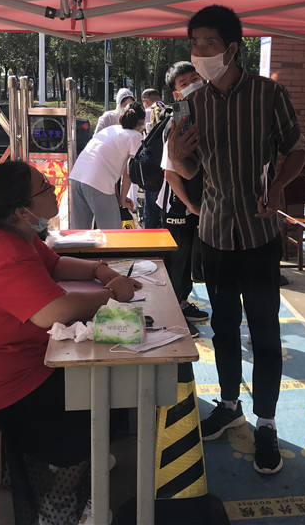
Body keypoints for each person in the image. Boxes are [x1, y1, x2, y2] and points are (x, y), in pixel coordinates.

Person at [0, 160, 141, 524]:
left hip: (9, 365)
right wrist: (112, 295)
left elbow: (55, 264)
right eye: (45, 187)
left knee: (95, 383)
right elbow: (54, 312)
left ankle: (85, 465)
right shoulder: (1, 252)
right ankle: (61, 503)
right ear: (22, 210)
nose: (54, 190)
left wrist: (99, 270)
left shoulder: (15, 235)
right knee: (88, 399)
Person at [168, 4, 305, 475]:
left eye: (207, 43)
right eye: (193, 44)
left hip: (259, 233)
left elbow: (296, 147)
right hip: (213, 235)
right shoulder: (192, 103)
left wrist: (278, 186)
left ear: (231, 48)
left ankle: (266, 423)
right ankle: (229, 406)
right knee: (223, 328)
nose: (199, 53)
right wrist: (176, 155)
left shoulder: (269, 94)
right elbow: (188, 169)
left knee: (265, 333)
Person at [159, 61, 209, 338]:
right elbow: (170, 173)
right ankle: (172, 315)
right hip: (177, 205)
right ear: (177, 94)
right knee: (176, 261)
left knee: (187, 259)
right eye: (184, 83)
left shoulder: (201, 116)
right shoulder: (175, 125)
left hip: (193, 205)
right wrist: (189, 205)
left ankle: (182, 303)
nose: (192, 84)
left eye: (195, 78)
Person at [68, 101, 145, 229]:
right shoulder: (135, 136)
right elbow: (128, 171)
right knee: (112, 233)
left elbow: (107, 165)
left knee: (80, 233)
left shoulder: (110, 129)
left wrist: (117, 197)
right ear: (142, 121)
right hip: (98, 182)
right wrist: (122, 198)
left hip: (77, 177)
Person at [140, 88, 165, 228]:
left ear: (145, 101)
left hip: (152, 166)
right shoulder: (168, 110)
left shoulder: (145, 113)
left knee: (151, 206)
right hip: (169, 164)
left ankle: (149, 233)